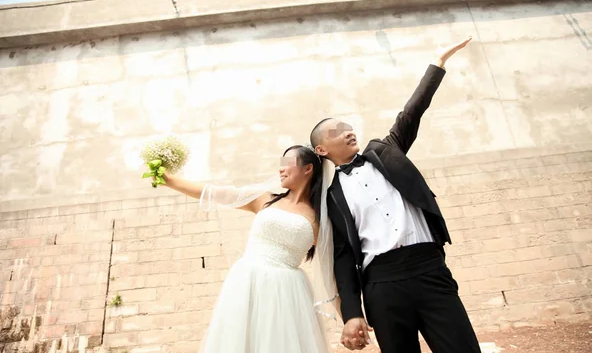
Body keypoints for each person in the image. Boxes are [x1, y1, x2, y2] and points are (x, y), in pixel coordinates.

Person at [310, 36, 481, 353]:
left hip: (430, 271)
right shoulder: (330, 196)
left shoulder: (385, 151)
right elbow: (344, 259)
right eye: (337, 131)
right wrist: (352, 314)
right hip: (381, 286)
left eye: (349, 126)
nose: (349, 131)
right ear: (321, 149)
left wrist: (438, 61)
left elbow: (411, 113)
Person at [157, 145, 339, 353]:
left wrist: (352, 317)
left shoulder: (319, 220)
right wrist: (169, 180)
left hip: (288, 292)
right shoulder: (263, 199)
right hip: (248, 281)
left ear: (308, 169)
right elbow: (214, 193)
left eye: (287, 163)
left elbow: (333, 269)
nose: (280, 169)